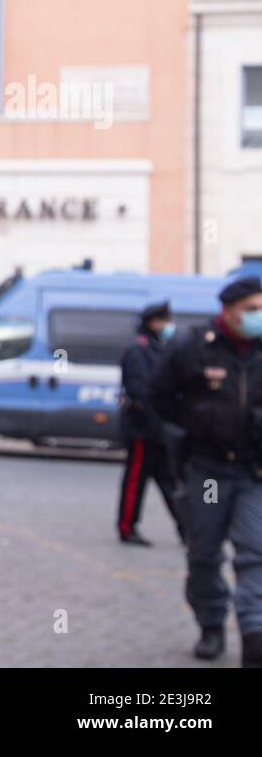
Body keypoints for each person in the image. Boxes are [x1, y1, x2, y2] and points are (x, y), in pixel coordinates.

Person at [150, 275, 262, 666]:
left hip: (254, 472)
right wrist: (182, 437)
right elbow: (159, 398)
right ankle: (212, 624)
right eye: (251, 310)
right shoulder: (194, 347)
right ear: (228, 311)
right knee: (205, 553)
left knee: (256, 553)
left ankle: (254, 632)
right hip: (209, 470)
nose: (258, 317)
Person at [116, 300, 184, 545]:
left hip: (159, 429)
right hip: (142, 428)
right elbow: (140, 390)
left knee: (169, 481)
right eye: (166, 321)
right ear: (154, 323)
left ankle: (187, 530)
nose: (169, 326)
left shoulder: (159, 347)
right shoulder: (139, 349)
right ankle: (127, 527)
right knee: (136, 480)